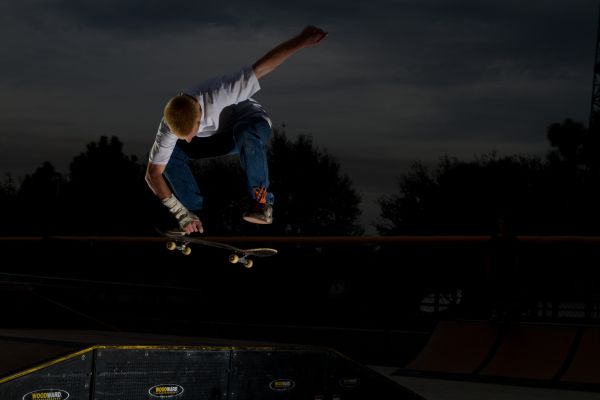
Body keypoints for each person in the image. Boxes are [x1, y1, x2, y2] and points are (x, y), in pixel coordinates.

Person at [145, 26, 328, 234]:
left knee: (244, 131)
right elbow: (152, 174)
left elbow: (264, 67)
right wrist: (179, 212)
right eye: (182, 135)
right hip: (218, 137)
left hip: (252, 125)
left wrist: (302, 40)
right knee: (170, 156)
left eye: (191, 132)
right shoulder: (169, 124)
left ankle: (262, 202)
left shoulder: (220, 92)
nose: (188, 140)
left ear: (201, 115)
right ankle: (194, 212)